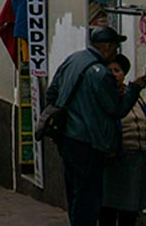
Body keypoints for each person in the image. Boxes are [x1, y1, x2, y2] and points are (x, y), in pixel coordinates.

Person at [47, 27, 146, 226]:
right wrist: (135, 88)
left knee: (75, 195)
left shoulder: (73, 60)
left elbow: (52, 93)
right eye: (116, 47)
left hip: (68, 139)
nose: (116, 52)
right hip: (89, 142)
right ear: (108, 47)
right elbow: (117, 109)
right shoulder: (101, 74)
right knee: (88, 199)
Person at [100, 54, 146, 226]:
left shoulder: (133, 95)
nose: (114, 74)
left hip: (137, 158)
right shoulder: (104, 96)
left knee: (131, 207)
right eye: (109, 71)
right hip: (116, 158)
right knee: (109, 206)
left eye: (117, 70)